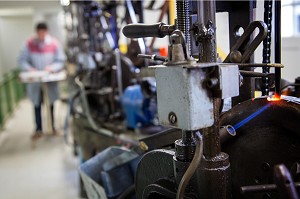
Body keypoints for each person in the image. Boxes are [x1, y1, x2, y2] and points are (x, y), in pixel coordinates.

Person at [19, 22, 66, 139]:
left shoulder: (54, 44)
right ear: (36, 32)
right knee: (37, 105)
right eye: (39, 33)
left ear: (46, 31)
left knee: (50, 104)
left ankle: (53, 127)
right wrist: (29, 69)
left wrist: (52, 68)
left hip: (49, 81)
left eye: (43, 32)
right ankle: (38, 129)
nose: (41, 35)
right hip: (35, 82)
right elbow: (22, 60)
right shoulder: (29, 44)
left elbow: (61, 60)